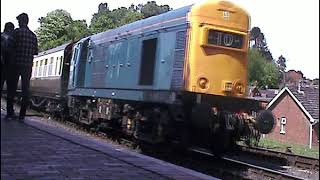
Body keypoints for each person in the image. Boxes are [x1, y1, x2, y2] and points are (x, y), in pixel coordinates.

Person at [9, 13, 38, 121]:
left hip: (15, 64)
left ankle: (10, 112)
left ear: (21, 21)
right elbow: (35, 52)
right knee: (25, 90)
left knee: (12, 88)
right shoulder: (33, 36)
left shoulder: (16, 32)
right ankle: (22, 115)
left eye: (18, 21)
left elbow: (10, 46)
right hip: (27, 66)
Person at [1, 22, 15, 99]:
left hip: (3, 64)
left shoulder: (1, 36)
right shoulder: (13, 39)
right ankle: (10, 109)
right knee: (11, 89)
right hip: (10, 65)